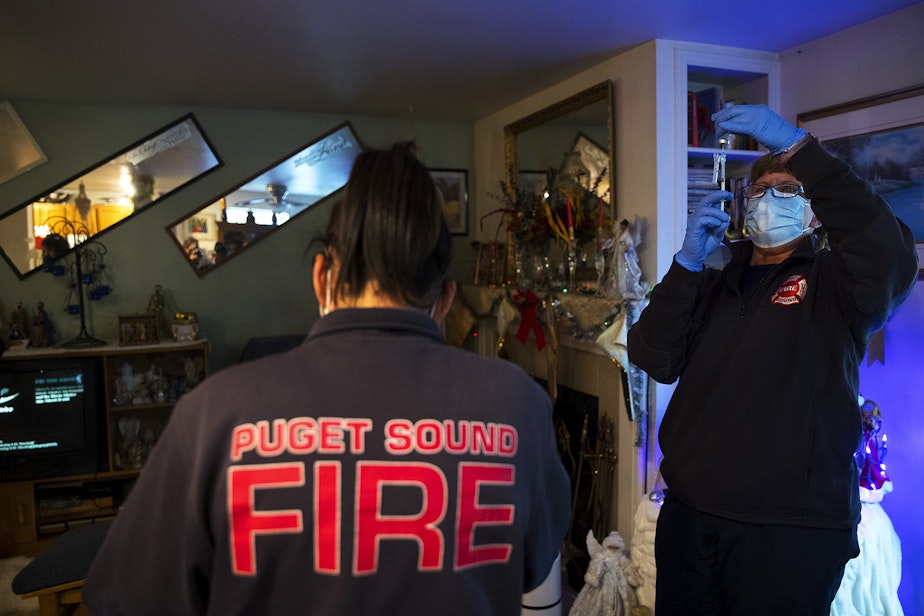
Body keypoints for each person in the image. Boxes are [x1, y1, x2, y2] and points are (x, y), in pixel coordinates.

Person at [83, 141, 571, 615]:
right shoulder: (519, 404)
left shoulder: (214, 414)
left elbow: (123, 598)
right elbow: (535, 564)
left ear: (321, 277)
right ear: (444, 300)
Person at [627, 105, 917, 615]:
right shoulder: (714, 280)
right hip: (692, 516)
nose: (770, 200)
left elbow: (891, 258)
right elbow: (652, 354)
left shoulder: (837, 283)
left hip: (791, 528)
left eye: (788, 190)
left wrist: (798, 146)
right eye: (761, 190)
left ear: (812, 209)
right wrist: (687, 263)